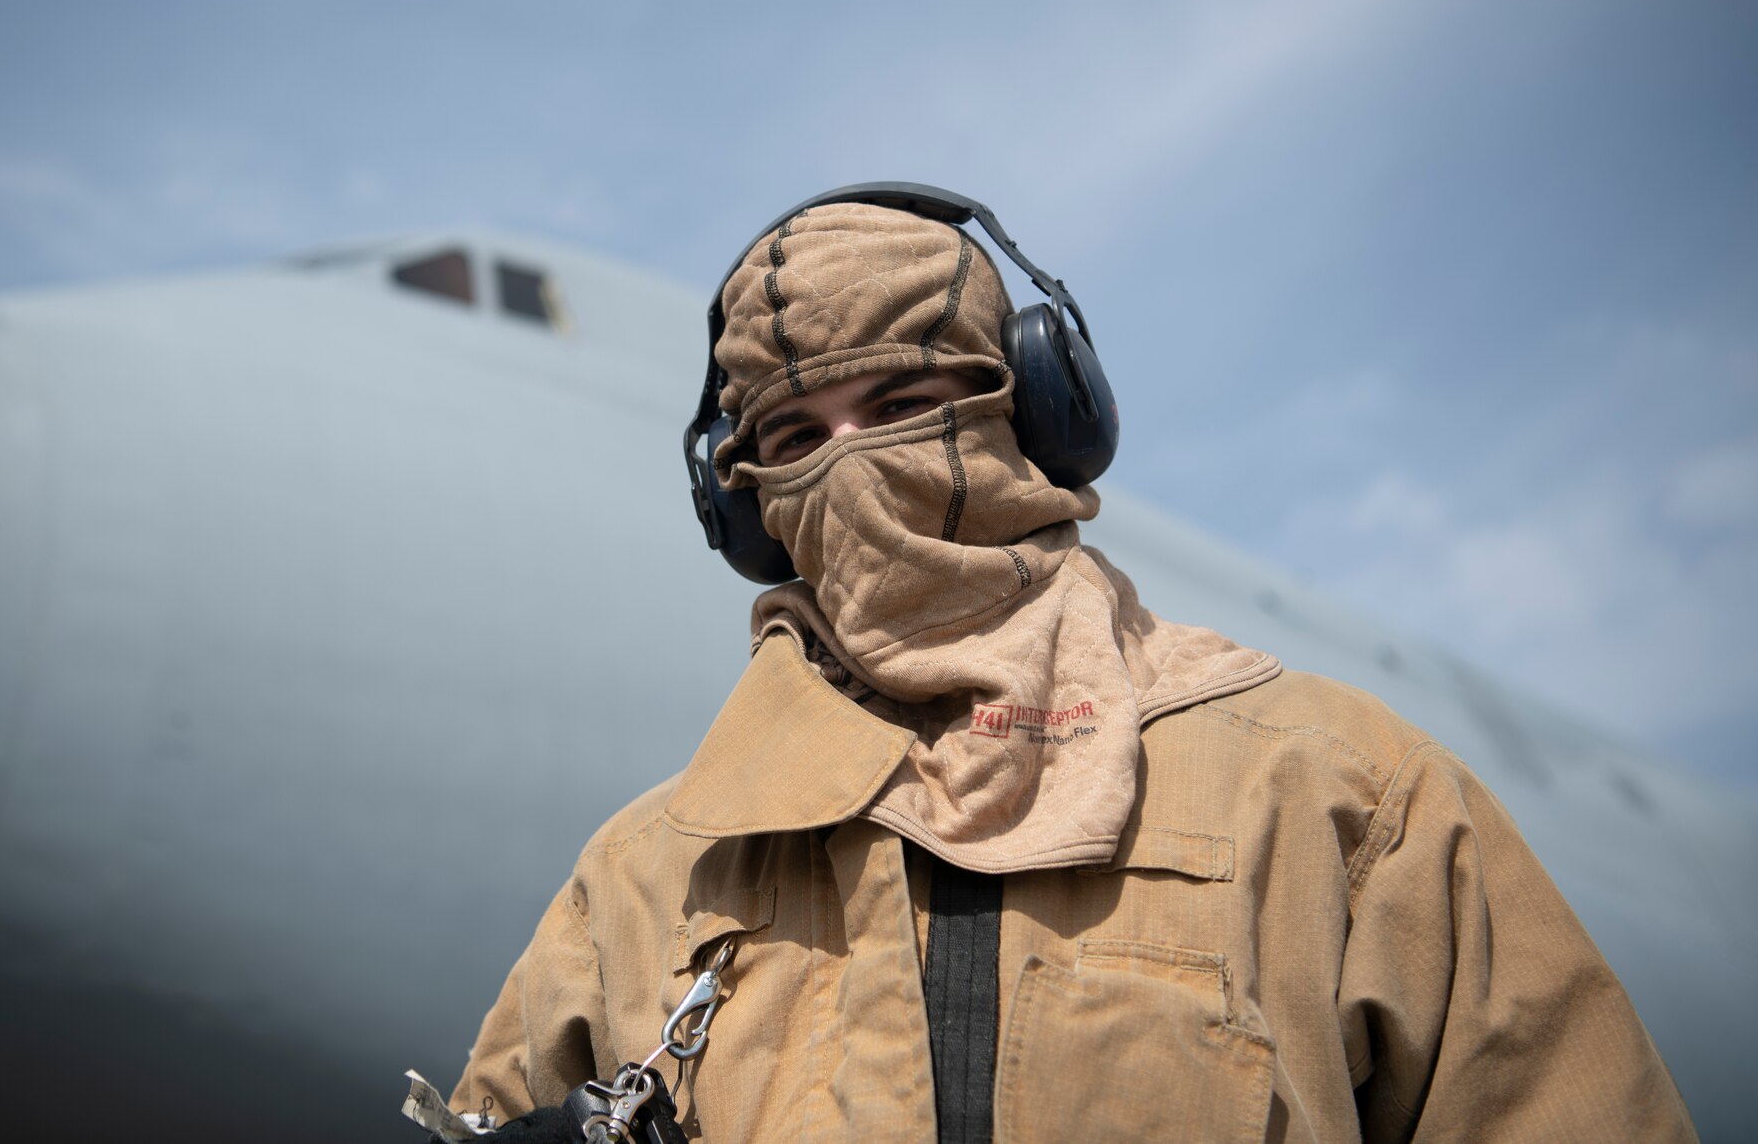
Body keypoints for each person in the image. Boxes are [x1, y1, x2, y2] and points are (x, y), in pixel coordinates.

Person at [440, 188, 1694, 1141]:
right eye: (792, 436)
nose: (851, 467)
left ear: (1034, 416)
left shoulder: (1337, 799)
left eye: (898, 405)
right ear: (749, 503)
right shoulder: (647, 879)